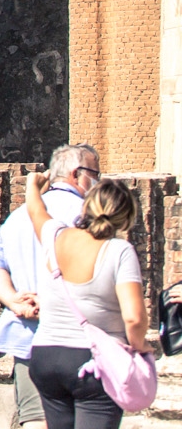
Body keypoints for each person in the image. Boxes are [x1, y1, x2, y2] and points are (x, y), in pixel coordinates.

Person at [0, 143, 98, 429]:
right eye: (96, 174)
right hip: (78, 338)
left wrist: (13, 301)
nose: (98, 182)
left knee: (35, 419)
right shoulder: (88, 215)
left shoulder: (18, 216)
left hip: (28, 337)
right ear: (77, 174)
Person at [25, 171, 150, 429]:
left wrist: (33, 186)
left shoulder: (56, 235)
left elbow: (36, 211)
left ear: (87, 206)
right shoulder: (119, 251)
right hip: (93, 362)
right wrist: (140, 347)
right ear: (126, 217)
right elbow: (134, 317)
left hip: (45, 355)